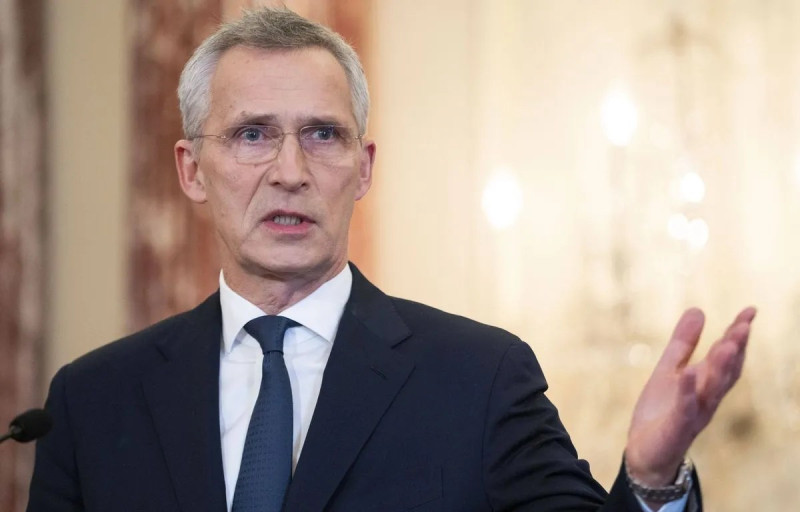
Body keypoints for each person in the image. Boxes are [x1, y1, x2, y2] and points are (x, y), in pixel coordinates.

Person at [27, 7, 755, 512]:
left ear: (363, 167)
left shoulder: (480, 378)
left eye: (322, 135)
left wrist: (652, 481)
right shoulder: (92, 402)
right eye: (253, 134)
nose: (290, 172)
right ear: (191, 170)